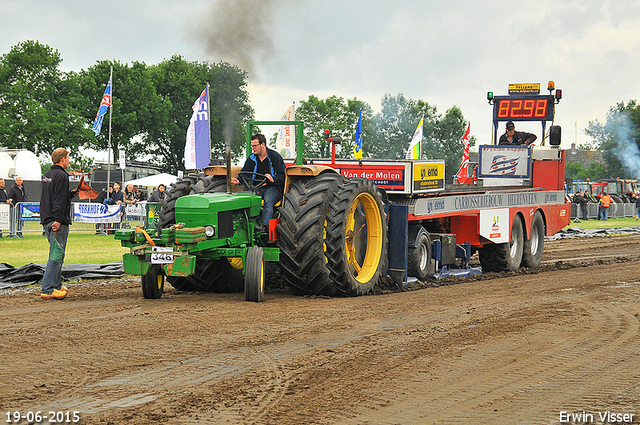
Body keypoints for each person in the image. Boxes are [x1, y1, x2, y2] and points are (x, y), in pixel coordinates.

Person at [40, 148, 79, 300]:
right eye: (68, 157)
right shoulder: (62, 176)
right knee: (56, 256)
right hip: (57, 221)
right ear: (62, 159)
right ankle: (48, 289)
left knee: (56, 254)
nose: (69, 160)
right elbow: (58, 201)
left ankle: (56, 286)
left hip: (47, 219)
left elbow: (55, 196)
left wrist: (71, 194)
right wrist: (58, 219)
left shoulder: (48, 174)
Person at [231, 133, 285, 229]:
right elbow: (245, 173)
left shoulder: (275, 157)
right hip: (257, 187)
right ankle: (246, 226)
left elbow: (283, 175)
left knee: (268, 201)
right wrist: (238, 181)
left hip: (273, 187)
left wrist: (273, 179)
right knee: (247, 200)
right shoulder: (251, 158)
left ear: (263, 145)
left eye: (255, 146)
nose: (253, 148)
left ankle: (264, 227)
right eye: (252, 146)